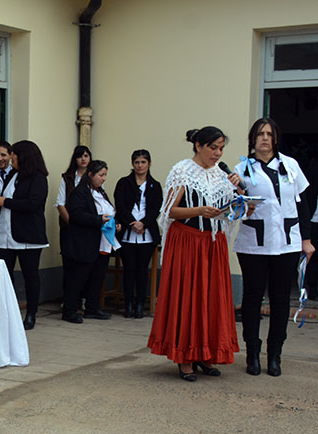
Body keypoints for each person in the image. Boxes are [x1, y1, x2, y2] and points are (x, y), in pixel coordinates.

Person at [148, 126, 242, 381]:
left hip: (213, 242)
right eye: (214, 147)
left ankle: (205, 353)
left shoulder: (222, 174)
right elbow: (169, 211)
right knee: (189, 296)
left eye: (221, 148)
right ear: (198, 145)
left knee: (211, 298)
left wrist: (242, 200)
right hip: (188, 241)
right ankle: (185, 357)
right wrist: (199, 211)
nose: (218, 153)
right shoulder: (182, 170)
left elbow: (229, 210)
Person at [233, 118, 313, 376]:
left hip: (287, 241)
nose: (265, 138)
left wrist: (307, 239)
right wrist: (238, 198)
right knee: (252, 298)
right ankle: (252, 353)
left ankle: (275, 354)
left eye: (269, 134)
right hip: (253, 243)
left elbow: (302, 204)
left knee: (280, 299)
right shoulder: (241, 170)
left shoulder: (290, 165)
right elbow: (234, 209)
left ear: (276, 138)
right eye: (260, 134)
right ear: (252, 139)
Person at [0, 140, 49, 330]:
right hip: (3, 234)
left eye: (13, 154)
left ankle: (31, 313)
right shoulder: (13, 175)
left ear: (24, 156)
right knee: (4, 275)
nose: (10, 157)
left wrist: (6, 201)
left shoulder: (38, 178)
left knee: (30, 276)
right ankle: (7, 312)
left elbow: (33, 204)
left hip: (27, 236)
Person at [62, 160, 121, 323]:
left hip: (102, 241)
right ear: (90, 175)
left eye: (105, 175)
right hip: (84, 242)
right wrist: (98, 219)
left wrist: (115, 224)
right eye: (101, 175)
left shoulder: (101, 193)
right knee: (78, 278)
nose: (103, 179)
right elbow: (77, 215)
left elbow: (109, 211)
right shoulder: (79, 193)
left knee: (97, 276)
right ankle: (69, 310)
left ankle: (92, 307)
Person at [113, 149, 162, 319]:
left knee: (142, 270)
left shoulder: (154, 185)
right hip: (128, 232)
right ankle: (128, 304)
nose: (140, 166)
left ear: (149, 164)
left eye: (143, 162)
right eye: (137, 162)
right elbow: (120, 205)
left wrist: (144, 223)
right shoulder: (124, 183)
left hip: (146, 233)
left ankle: (140, 304)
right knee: (129, 269)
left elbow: (156, 208)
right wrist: (132, 223)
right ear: (132, 164)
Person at [56, 145, 92, 307]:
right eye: (80, 156)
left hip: (87, 228)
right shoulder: (68, 177)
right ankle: (69, 299)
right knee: (69, 263)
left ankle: (84, 298)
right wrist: (73, 222)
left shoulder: (94, 177)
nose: (83, 159)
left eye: (86, 156)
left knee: (84, 265)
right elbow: (60, 203)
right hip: (69, 227)